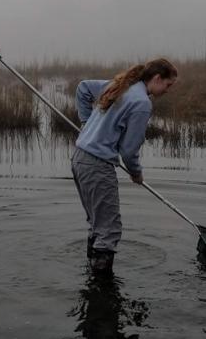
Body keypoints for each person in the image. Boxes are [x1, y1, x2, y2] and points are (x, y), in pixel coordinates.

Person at [71, 58, 178, 274]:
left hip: (79, 159)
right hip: (97, 166)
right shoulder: (142, 103)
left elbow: (83, 88)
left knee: (97, 225)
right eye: (168, 85)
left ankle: (92, 279)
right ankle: (102, 291)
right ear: (157, 78)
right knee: (109, 231)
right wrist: (136, 173)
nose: (168, 90)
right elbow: (129, 151)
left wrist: (86, 123)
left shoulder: (120, 85)